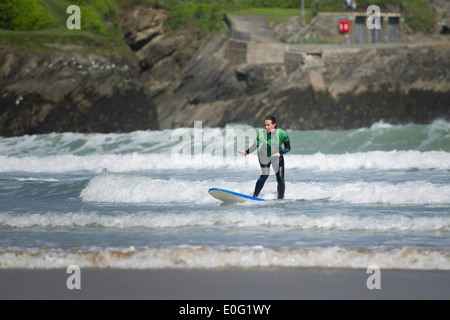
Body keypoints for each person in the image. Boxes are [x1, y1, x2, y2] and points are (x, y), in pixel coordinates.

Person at [238, 116, 291, 199]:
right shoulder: (262, 134)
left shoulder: (282, 133)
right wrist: (246, 152)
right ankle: (254, 197)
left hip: (277, 156)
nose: (266, 127)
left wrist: (280, 153)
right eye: (265, 125)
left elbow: (288, 148)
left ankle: (280, 200)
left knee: (280, 178)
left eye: (268, 125)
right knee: (264, 175)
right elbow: (255, 145)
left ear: (274, 124)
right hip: (264, 156)